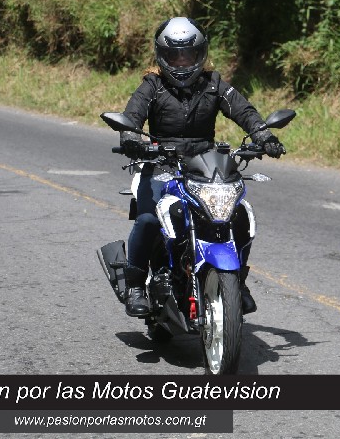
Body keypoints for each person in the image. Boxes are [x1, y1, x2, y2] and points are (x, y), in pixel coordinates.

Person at [120, 17, 285, 318]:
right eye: (174, 56)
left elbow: (244, 111)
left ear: (201, 54)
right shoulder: (152, 85)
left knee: (237, 215)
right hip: (160, 165)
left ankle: (237, 281)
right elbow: (132, 117)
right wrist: (131, 139)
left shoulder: (214, 84)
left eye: (189, 55)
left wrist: (264, 136)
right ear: (161, 56)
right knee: (147, 220)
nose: (182, 62)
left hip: (204, 167)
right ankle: (134, 286)